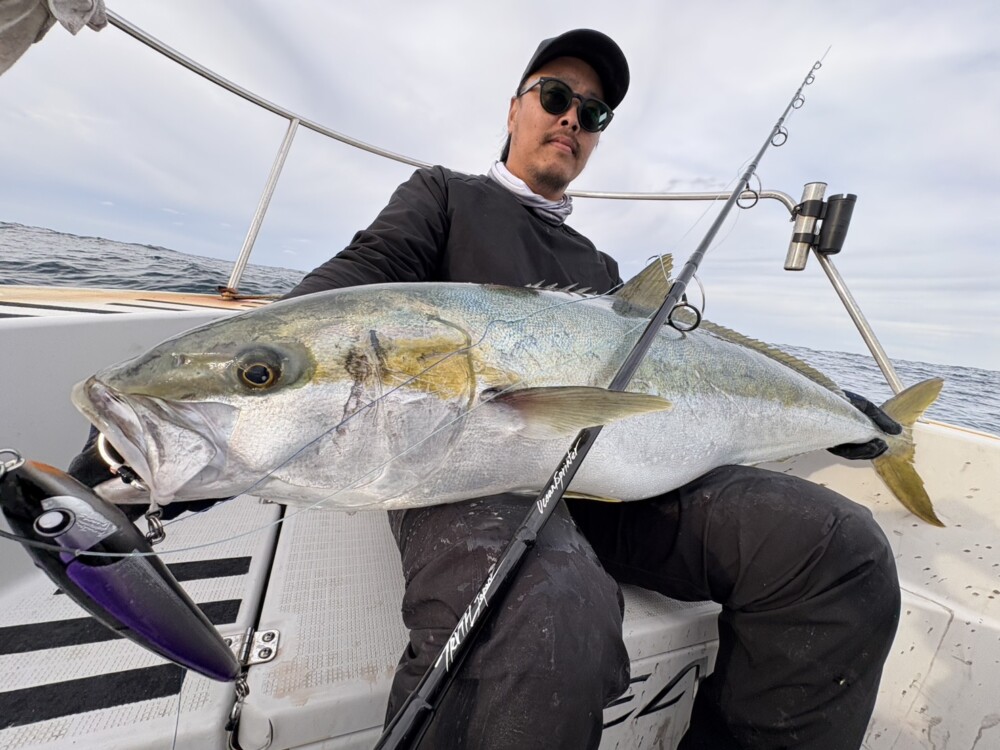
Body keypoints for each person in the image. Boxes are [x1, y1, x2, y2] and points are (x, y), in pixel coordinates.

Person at [72, 29, 901, 750]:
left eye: (593, 112)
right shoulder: (443, 198)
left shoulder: (606, 278)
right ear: (514, 108)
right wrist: (138, 453)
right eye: (555, 95)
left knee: (838, 545)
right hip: (467, 477)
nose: (572, 117)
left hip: (625, 485)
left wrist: (849, 420)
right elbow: (350, 288)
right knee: (549, 614)